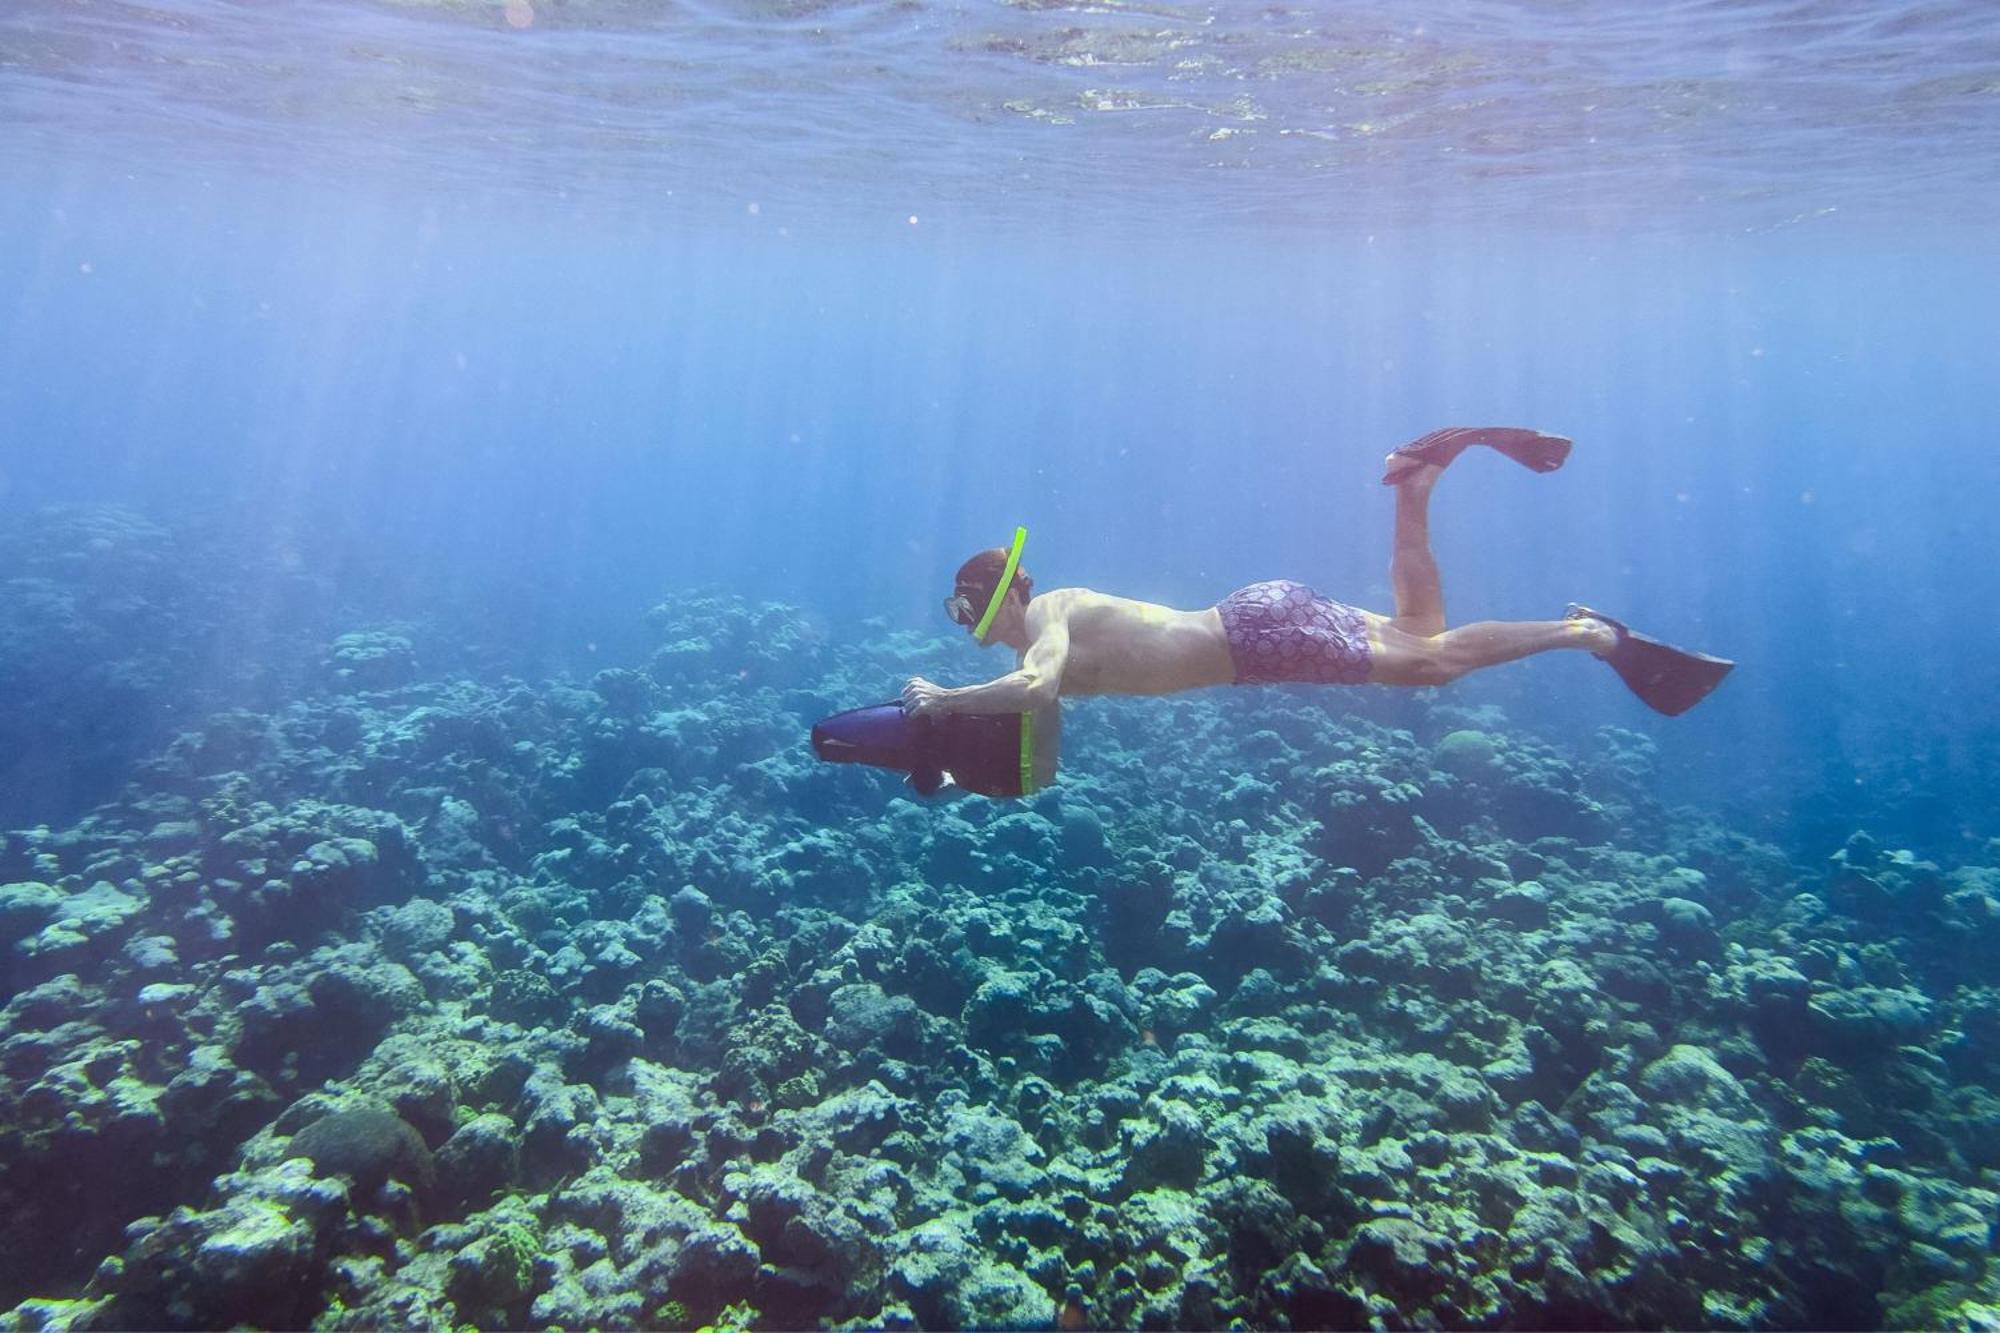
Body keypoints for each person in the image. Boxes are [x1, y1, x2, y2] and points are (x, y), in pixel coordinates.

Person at [902, 428, 1732, 788]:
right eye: (962, 611)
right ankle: (1414, 482)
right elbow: (1039, 767)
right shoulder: (1025, 663)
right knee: (1422, 635)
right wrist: (943, 758)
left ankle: (1586, 632)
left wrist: (940, 698)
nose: (973, 618)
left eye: (975, 603)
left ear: (1011, 587)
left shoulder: (1053, 611)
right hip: (1258, 625)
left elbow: (1040, 691)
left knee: (1432, 665)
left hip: (1257, 638)